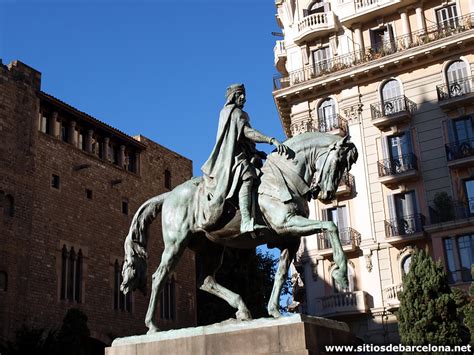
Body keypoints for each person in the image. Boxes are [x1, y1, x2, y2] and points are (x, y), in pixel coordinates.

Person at [201, 83, 288, 233]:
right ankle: (246, 221)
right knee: (247, 176)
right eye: (240, 95)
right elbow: (248, 133)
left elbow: (241, 138)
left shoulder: (229, 113)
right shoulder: (235, 113)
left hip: (239, 154)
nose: (244, 98)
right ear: (233, 96)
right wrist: (271, 140)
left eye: (244, 95)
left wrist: (256, 151)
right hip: (233, 158)